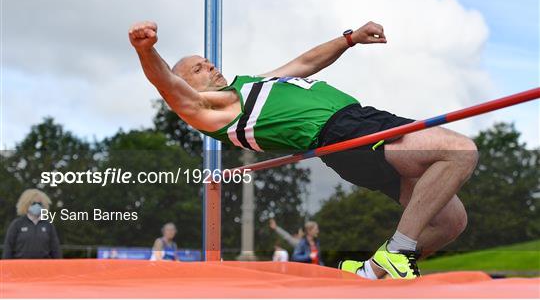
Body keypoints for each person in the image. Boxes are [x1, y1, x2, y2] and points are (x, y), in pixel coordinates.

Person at [129, 20, 478, 279]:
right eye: (199, 68)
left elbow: (306, 61)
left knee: (451, 222)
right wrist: (146, 50)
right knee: (459, 150)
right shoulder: (211, 109)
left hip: (360, 123)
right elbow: (170, 87)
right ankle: (396, 251)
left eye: (207, 61)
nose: (210, 66)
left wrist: (349, 39)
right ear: (189, 84)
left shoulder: (254, 85)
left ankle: (372, 271)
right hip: (344, 133)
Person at [2, 189, 61, 259]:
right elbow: (8, 248)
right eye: (33, 203)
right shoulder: (17, 224)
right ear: (26, 204)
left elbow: (55, 249)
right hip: (21, 266)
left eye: (39, 204)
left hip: (44, 266)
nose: (37, 206)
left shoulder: (48, 225)